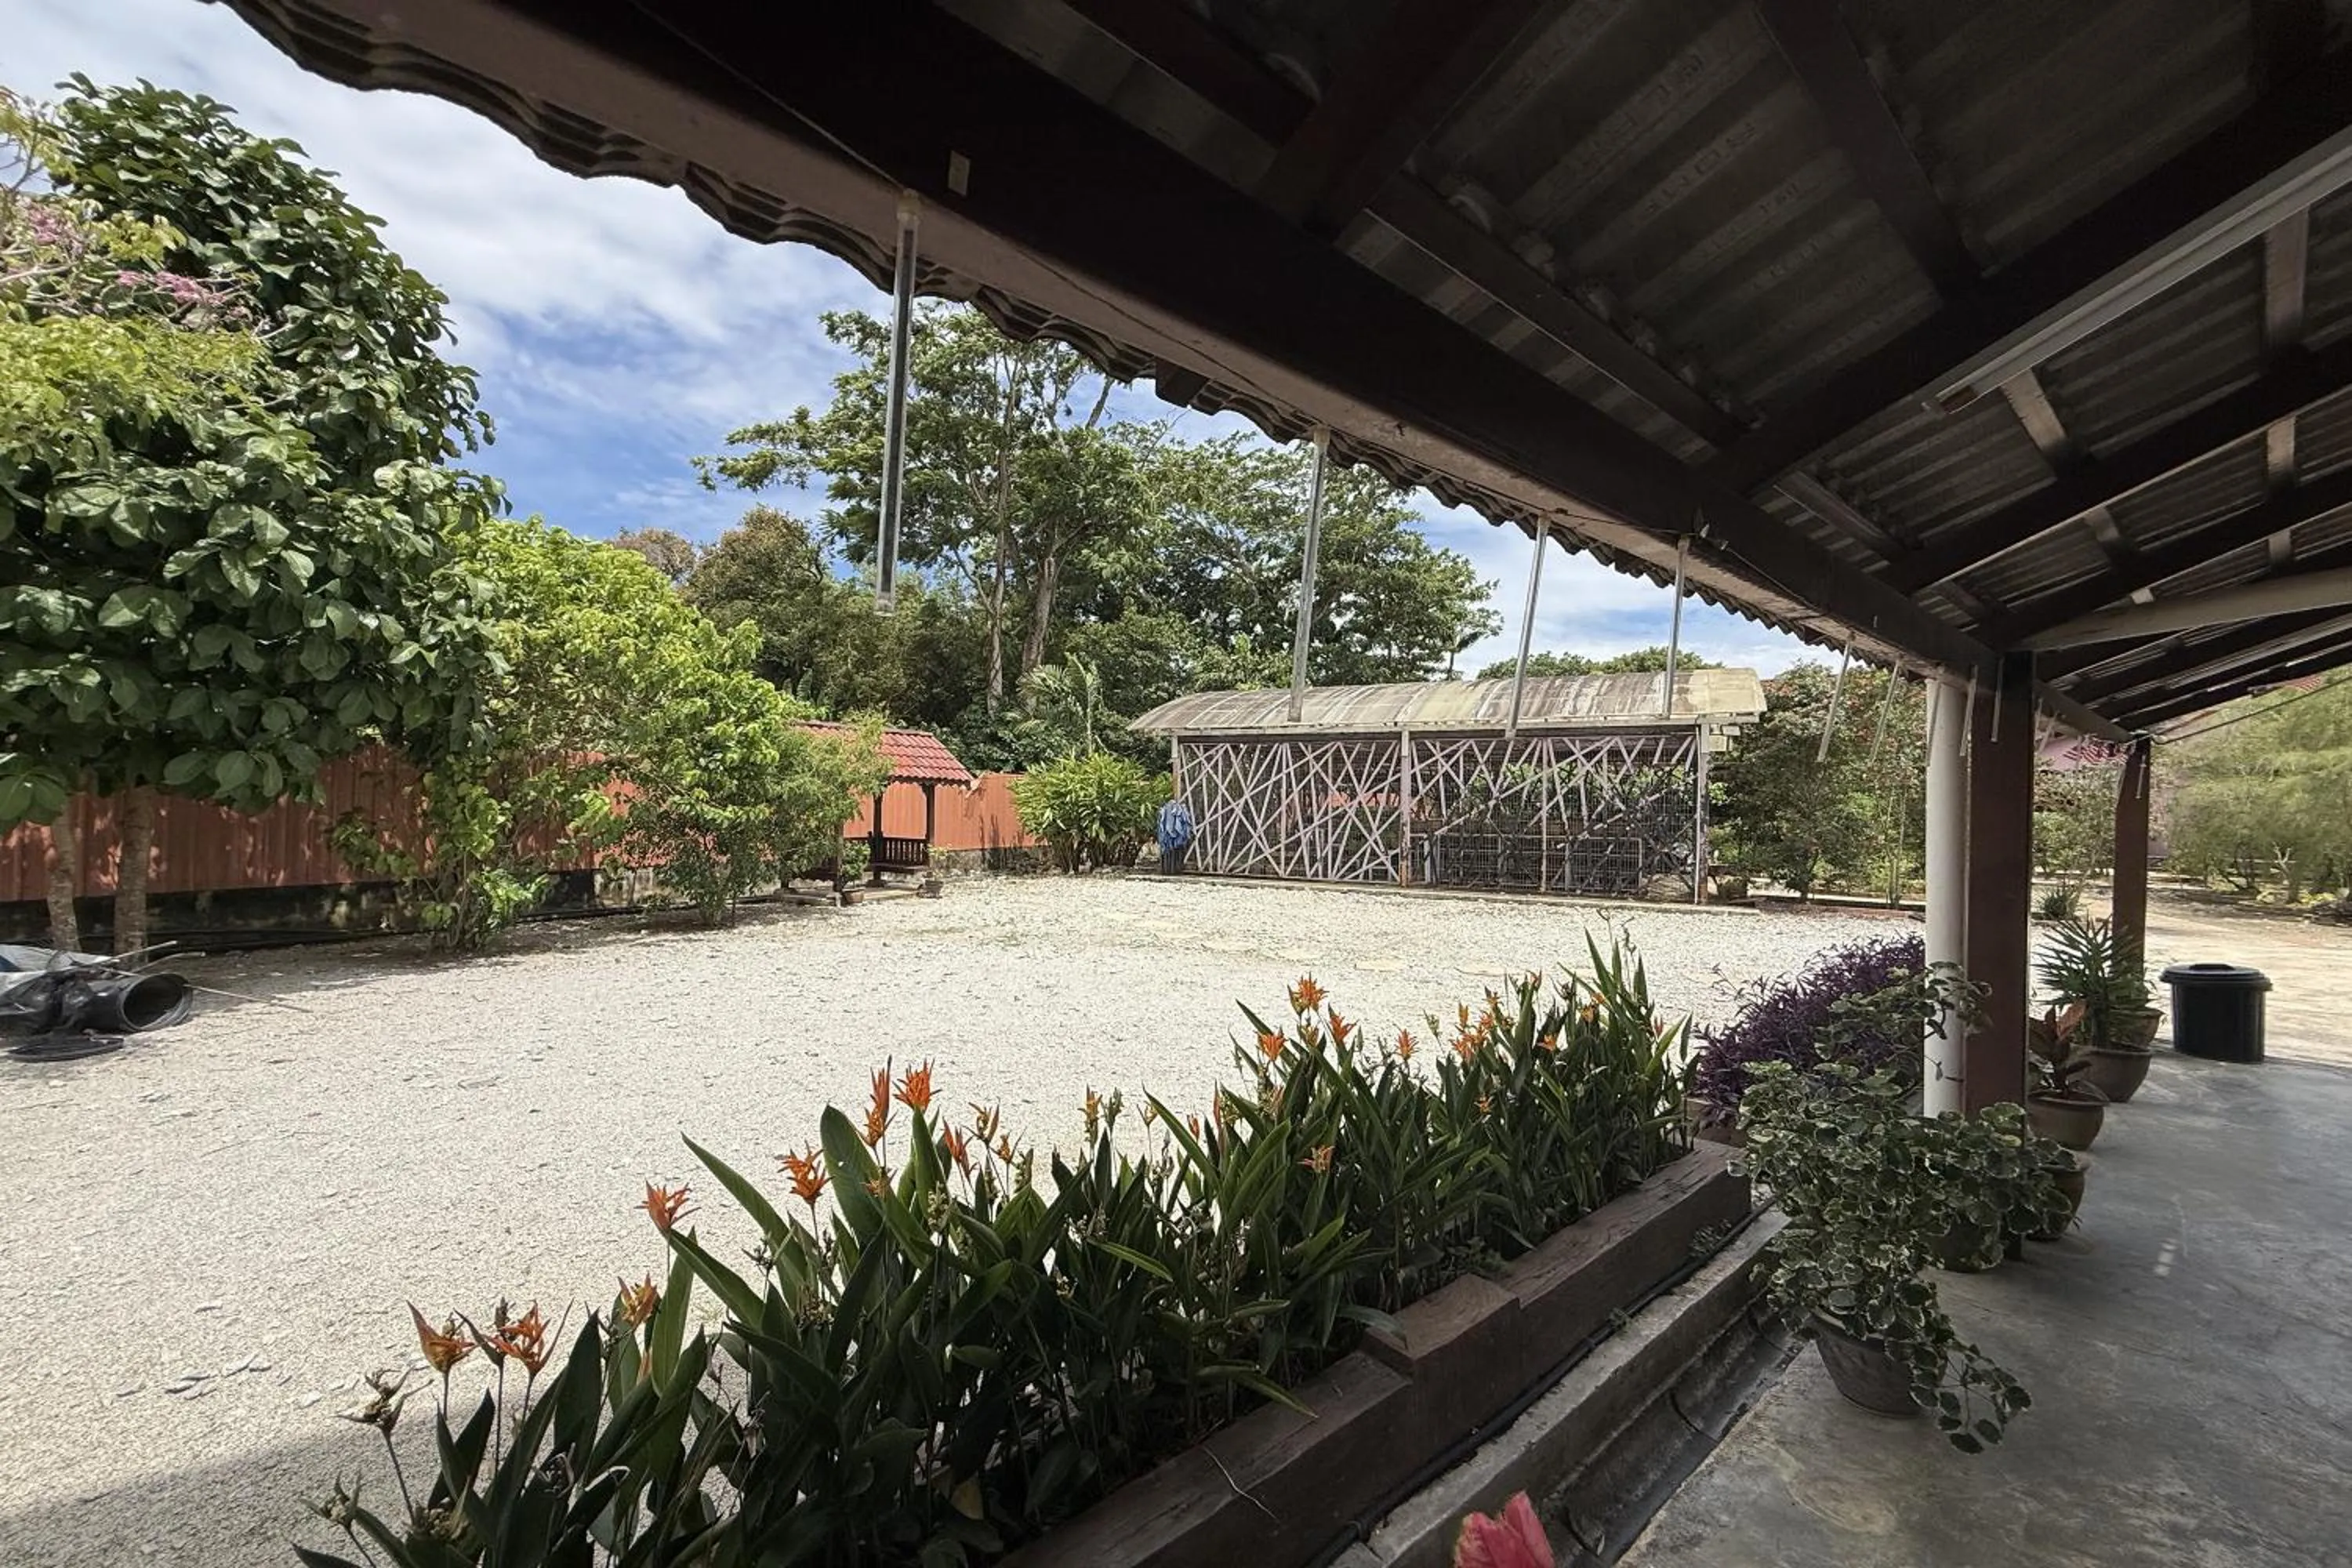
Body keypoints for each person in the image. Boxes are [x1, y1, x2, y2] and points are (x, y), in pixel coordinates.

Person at [1156, 797, 1196, 875]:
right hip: (1173, 839)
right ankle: (1172, 870)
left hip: (1171, 840)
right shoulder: (1178, 811)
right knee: (1174, 854)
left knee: (1172, 854)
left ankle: (1170, 870)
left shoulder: (1172, 811)